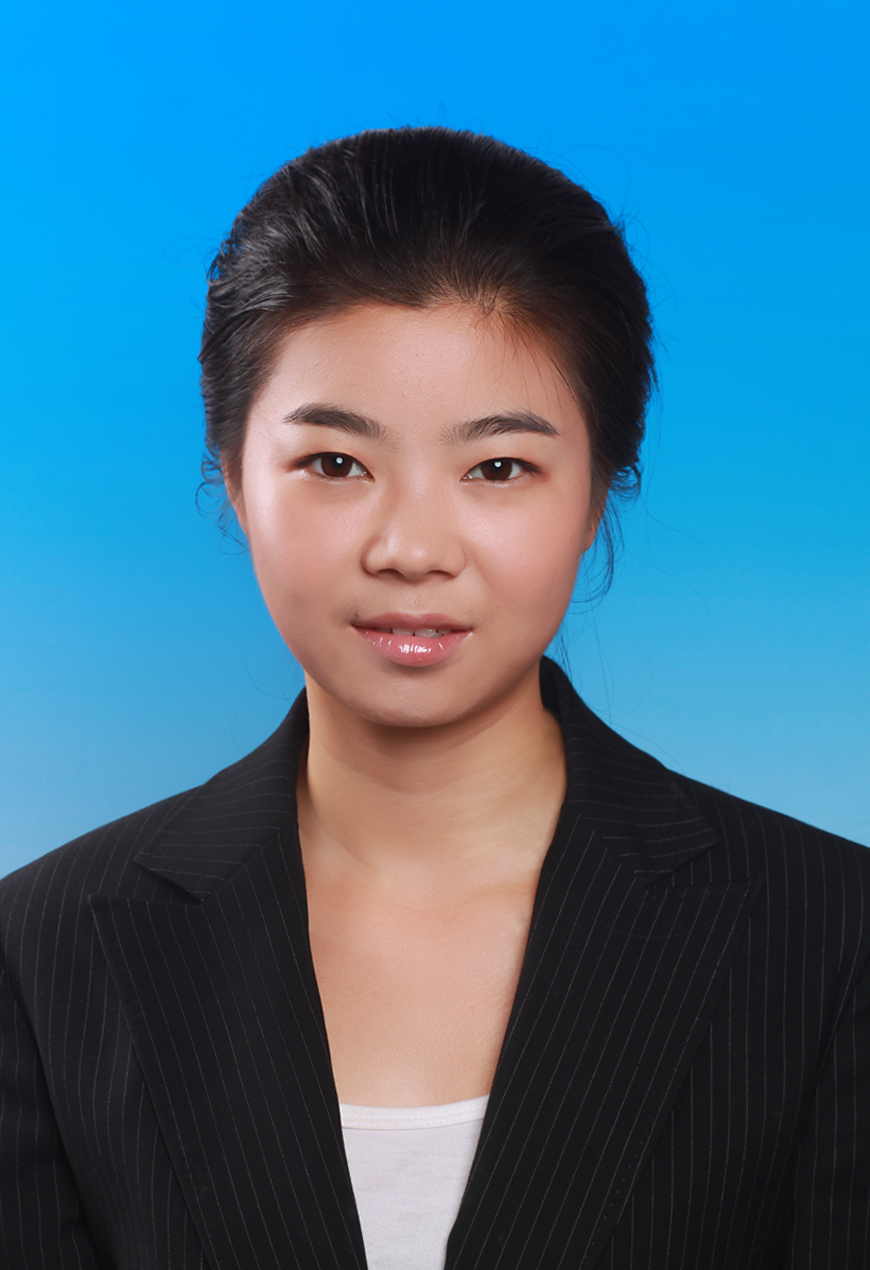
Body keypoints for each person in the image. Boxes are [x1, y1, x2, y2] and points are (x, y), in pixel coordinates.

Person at [1, 126, 868, 1270]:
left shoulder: (831, 935)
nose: (412, 548)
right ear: (233, 476)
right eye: (335, 463)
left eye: (498, 467)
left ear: (599, 491)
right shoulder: (42, 951)